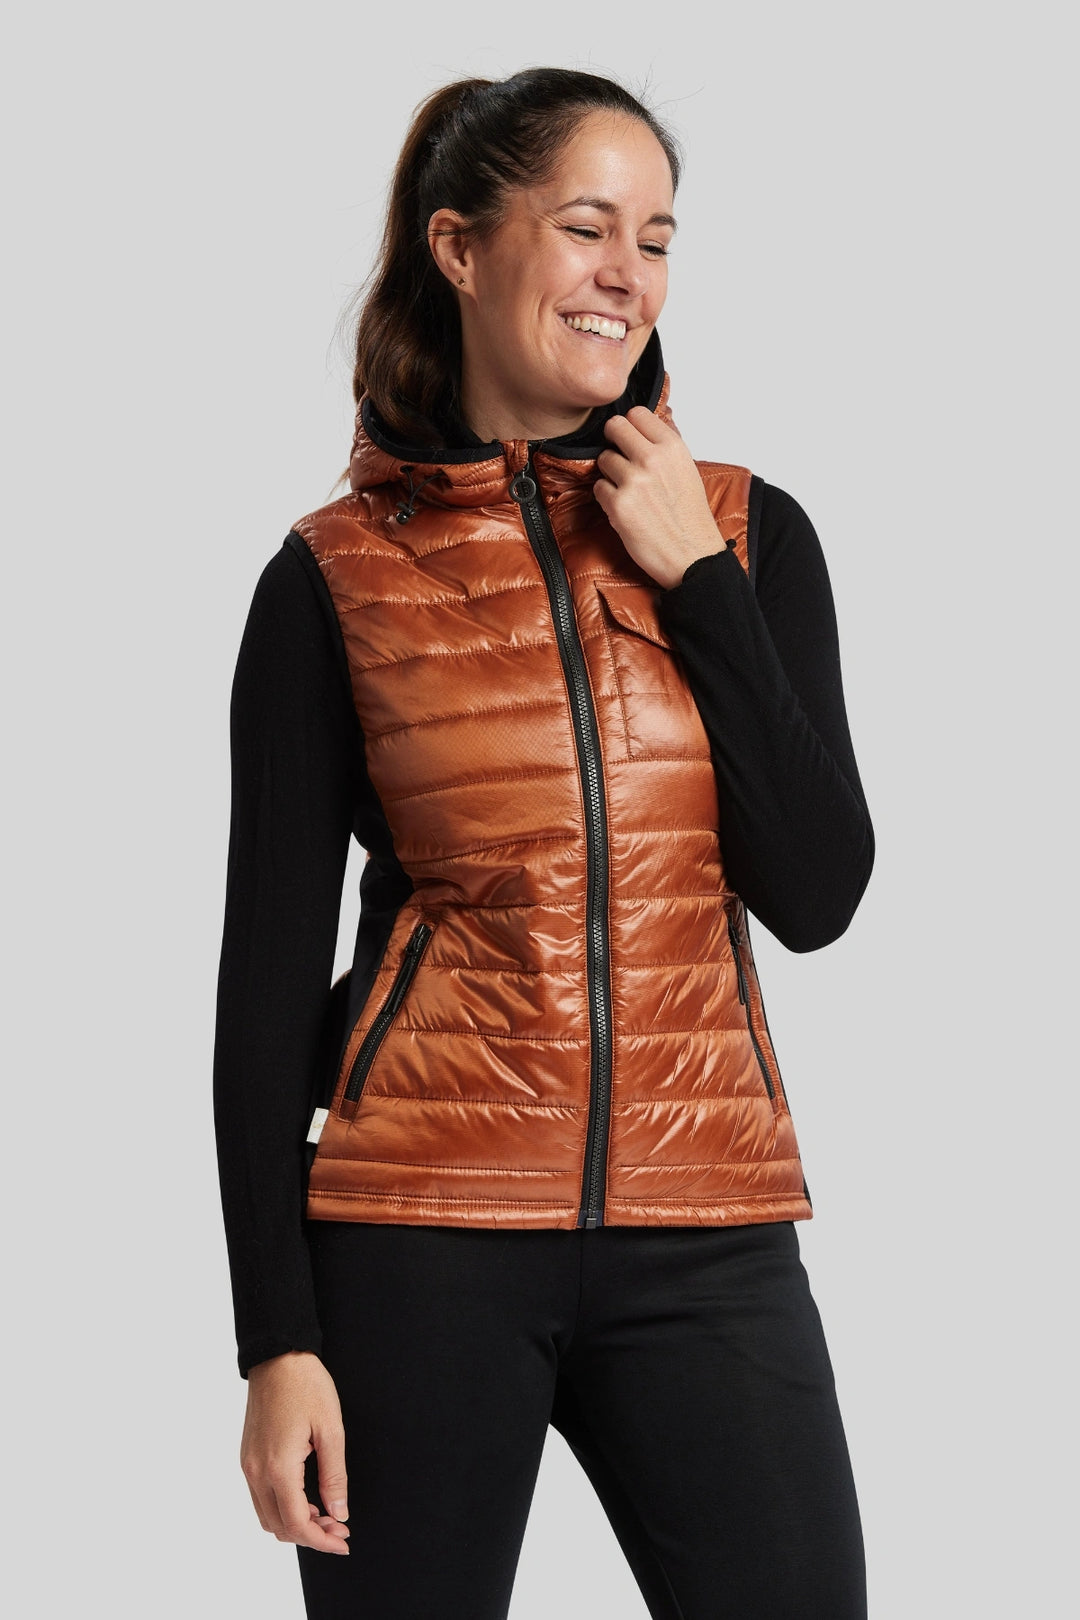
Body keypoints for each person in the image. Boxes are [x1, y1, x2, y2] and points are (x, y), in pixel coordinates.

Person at [213, 66, 875, 1620]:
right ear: (459, 247)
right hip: (417, 1236)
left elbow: (817, 888)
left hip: (706, 1230)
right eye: (587, 227)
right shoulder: (333, 579)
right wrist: (275, 1340)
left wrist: (696, 578)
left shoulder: (747, 530)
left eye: (657, 237)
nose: (626, 274)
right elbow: (264, 992)